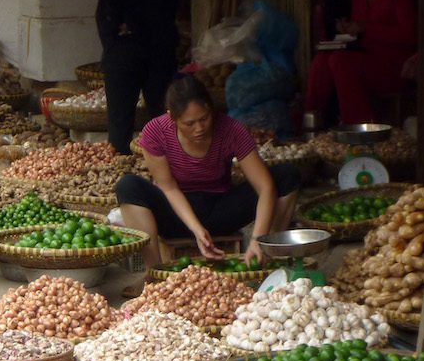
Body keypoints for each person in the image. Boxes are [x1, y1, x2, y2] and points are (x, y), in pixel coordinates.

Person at [115, 77, 299, 284]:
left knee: (286, 175)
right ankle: (154, 275)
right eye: (189, 123)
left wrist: (259, 239)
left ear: (212, 110)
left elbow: (265, 187)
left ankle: (269, 257)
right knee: (128, 186)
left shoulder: (232, 129)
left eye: (204, 118)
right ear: (172, 118)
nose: (199, 128)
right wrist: (196, 229)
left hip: (222, 210)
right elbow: (169, 188)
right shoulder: (156, 132)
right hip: (178, 214)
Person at [304, 0, 417, 127]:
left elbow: (411, 35)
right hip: (366, 59)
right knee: (321, 61)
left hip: (394, 66)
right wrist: (348, 29)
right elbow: (360, 31)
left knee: (340, 61)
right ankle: (310, 126)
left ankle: (361, 130)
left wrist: (366, 27)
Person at [95, 0, 180, 155]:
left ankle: (121, 170)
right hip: (160, 43)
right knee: (163, 117)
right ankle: (168, 170)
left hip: (125, 44)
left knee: (120, 121)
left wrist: (116, 28)